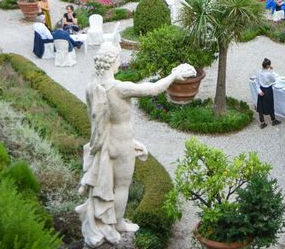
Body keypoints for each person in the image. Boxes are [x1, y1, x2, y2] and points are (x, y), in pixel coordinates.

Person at [76, 43, 195, 247]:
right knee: (122, 187)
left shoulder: (91, 88)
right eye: (117, 60)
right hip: (121, 143)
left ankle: (106, 221)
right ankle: (118, 223)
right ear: (111, 62)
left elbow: (95, 121)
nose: (119, 64)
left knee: (108, 186)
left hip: (106, 143)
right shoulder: (120, 88)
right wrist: (174, 75)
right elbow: (152, 89)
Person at [256, 58, 281, 129]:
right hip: (268, 90)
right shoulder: (268, 74)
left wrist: (259, 90)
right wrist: (271, 70)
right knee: (270, 104)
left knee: (260, 106)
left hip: (261, 89)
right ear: (267, 66)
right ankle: (273, 120)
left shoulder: (259, 72)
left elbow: (256, 81)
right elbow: (273, 79)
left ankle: (262, 123)